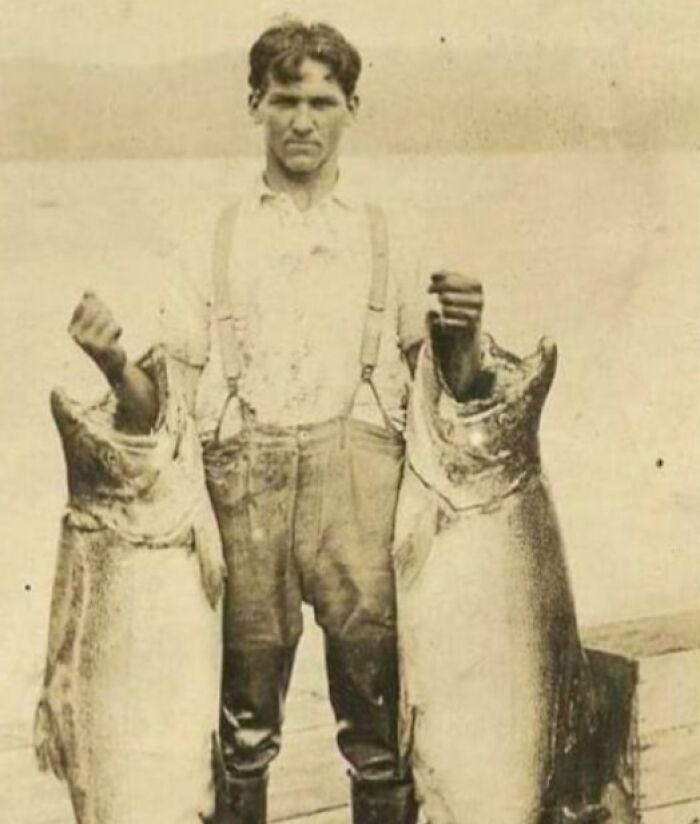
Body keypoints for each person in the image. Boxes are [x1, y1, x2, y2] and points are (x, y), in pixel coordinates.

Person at [66, 20, 483, 824]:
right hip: (241, 505)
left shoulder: (388, 232)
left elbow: (453, 391)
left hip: (363, 504)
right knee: (238, 732)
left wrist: (463, 330)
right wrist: (114, 365)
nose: (302, 119)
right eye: (285, 99)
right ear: (254, 104)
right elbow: (163, 418)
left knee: (381, 727)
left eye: (322, 101)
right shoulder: (211, 237)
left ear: (351, 108)